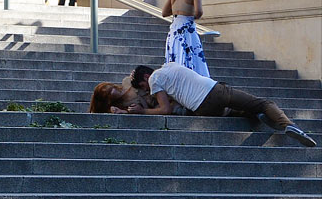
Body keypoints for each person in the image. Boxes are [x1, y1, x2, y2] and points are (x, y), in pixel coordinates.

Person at [133, 62, 316, 147]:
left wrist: (143, 111)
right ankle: (291, 127)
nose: (149, 90)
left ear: (146, 77)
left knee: (242, 110)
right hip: (214, 92)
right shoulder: (168, 67)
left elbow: (165, 107)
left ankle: (261, 117)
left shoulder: (155, 78)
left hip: (201, 109)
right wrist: (142, 112)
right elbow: (165, 109)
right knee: (264, 103)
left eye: (144, 86)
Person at [162, 0, 210, 77]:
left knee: (175, 54)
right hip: (187, 28)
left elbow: (164, 12)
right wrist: (190, 15)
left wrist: (178, 11)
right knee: (191, 54)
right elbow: (199, 12)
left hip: (174, 28)